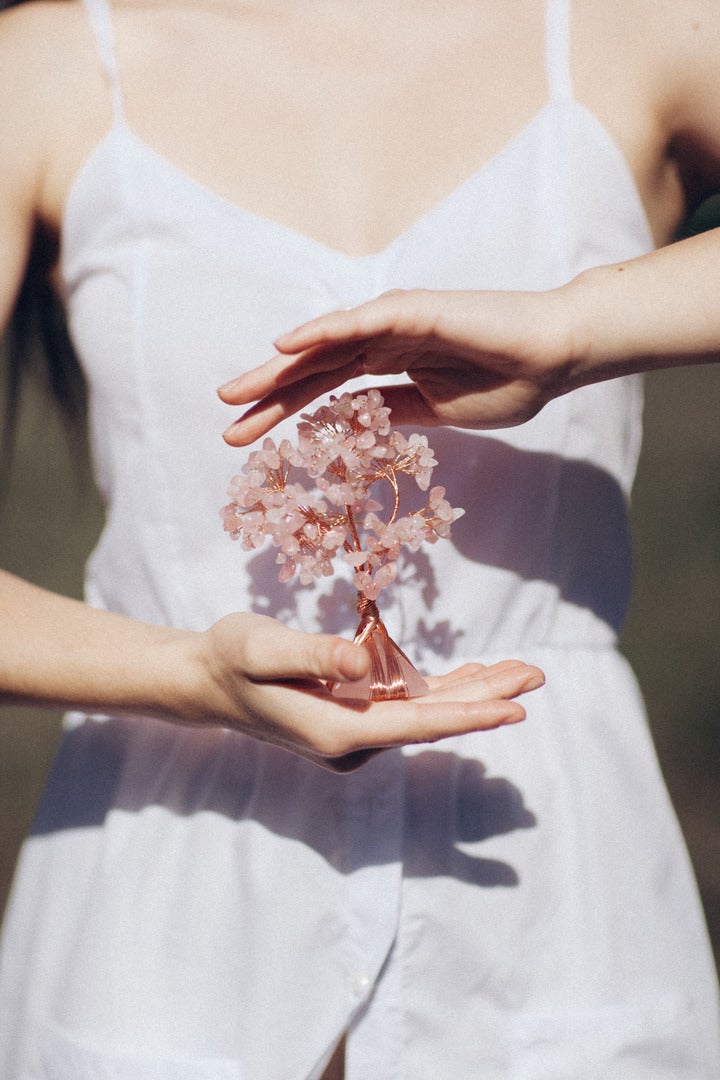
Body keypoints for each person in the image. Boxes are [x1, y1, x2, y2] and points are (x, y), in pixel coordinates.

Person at [0, 1, 718, 1078]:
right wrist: (185, 672)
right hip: (158, 932)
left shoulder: (645, 26)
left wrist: (578, 329)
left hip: (554, 917)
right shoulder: (49, 67)